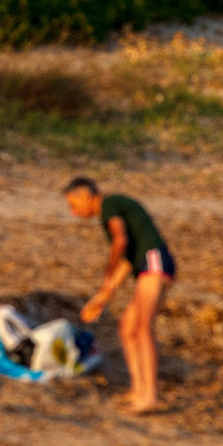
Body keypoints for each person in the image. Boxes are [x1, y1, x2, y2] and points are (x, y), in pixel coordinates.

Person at [64, 174, 176, 414]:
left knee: (143, 329)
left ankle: (150, 397)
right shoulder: (114, 210)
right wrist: (103, 296)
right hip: (148, 267)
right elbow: (126, 261)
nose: (73, 213)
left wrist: (107, 270)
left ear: (85, 196)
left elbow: (120, 241)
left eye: (73, 205)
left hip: (155, 264)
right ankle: (138, 390)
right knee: (127, 327)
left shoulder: (110, 205)